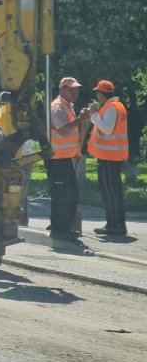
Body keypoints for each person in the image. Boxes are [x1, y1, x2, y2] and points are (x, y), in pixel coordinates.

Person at [46, 77, 89, 241]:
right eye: (71, 89)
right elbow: (62, 130)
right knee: (62, 196)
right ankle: (59, 230)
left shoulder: (67, 106)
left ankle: (64, 228)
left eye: (76, 89)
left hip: (65, 158)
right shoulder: (58, 107)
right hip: (57, 159)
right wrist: (80, 120)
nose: (75, 92)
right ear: (62, 89)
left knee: (70, 194)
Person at [86, 80, 129, 235]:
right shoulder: (117, 106)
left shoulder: (111, 108)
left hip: (109, 157)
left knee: (110, 191)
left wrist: (93, 115)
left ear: (101, 94)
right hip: (113, 156)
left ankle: (115, 225)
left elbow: (107, 129)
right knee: (114, 191)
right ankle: (116, 224)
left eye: (98, 92)